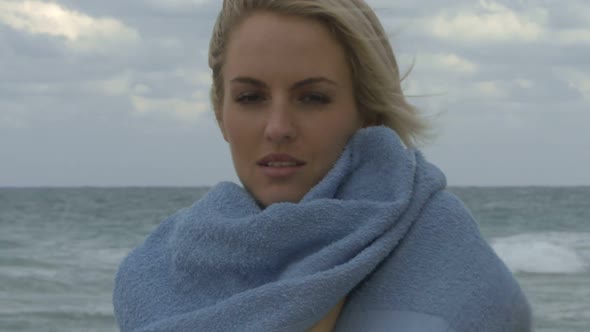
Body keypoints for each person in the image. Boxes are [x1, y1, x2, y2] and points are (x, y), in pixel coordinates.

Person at [113, 1, 532, 331]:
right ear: (221, 113)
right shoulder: (156, 274)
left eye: (312, 97)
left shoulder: (451, 264)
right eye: (250, 98)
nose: (278, 128)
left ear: (367, 111)